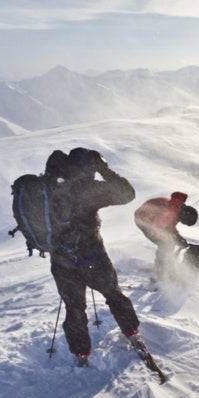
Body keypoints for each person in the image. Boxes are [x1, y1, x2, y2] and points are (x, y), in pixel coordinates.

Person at [49, 147, 142, 367]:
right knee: (113, 294)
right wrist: (104, 168)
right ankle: (132, 332)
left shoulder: (49, 188)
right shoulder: (87, 189)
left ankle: (81, 353)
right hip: (92, 258)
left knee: (74, 307)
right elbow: (127, 193)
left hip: (61, 262)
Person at [133, 192, 199, 284]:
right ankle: (160, 273)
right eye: (184, 222)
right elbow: (158, 228)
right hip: (143, 220)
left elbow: (169, 225)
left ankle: (167, 264)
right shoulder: (169, 213)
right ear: (184, 217)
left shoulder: (177, 207)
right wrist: (174, 239)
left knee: (169, 242)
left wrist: (178, 237)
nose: (181, 222)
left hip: (152, 219)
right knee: (165, 244)